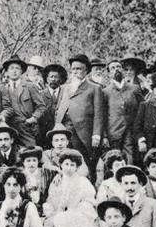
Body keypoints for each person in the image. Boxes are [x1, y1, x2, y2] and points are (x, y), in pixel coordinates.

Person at [43, 149, 100, 227]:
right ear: (61, 165)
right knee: (60, 219)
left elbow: (90, 200)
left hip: (78, 214)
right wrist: (52, 211)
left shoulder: (82, 181)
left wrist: (76, 209)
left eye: (72, 165)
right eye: (66, 164)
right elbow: (51, 199)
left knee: (72, 218)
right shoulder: (57, 180)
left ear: (77, 167)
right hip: (60, 213)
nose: (69, 168)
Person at [54, 54, 103, 182]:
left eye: (79, 69)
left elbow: (99, 113)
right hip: (65, 131)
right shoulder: (65, 88)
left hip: (83, 132)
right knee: (65, 161)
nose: (76, 72)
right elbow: (59, 107)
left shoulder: (94, 88)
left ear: (86, 71)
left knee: (85, 163)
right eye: (74, 69)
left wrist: (96, 135)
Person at [101, 60, 144, 165]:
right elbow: (102, 115)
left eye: (119, 67)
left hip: (131, 130)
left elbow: (143, 108)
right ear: (109, 73)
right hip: (114, 131)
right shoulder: (105, 92)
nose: (116, 69)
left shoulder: (134, 89)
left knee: (130, 156)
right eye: (113, 68)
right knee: (114, 157)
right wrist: (105, 136)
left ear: (123, 71)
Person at [0, 55, 45, 149]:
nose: (14, 71)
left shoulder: (30, 86)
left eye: (17, 68)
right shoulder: (3, 88)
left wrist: (33, 118)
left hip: (26, 127)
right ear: (7, 72)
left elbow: (41, 107)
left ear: (21, 71)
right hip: (9, 127)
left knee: (31, 152)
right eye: (11, 68)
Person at [19, 146, 58, 216]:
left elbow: (61, 174)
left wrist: (59, 176)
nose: (31, 164)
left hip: (45, 210)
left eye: (34, 160)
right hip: (26, 212)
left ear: (38, 161)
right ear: (23, 162)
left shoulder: (47, 173)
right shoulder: (19, 175)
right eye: (28, 161)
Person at [39, 63, 67, 147]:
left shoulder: (66, 93)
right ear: (46, 79)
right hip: (45, 134)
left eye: (56, 77)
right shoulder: (40, 95)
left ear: (61, 79)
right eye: (51, 77)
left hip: (62, 133)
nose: (53, 79)